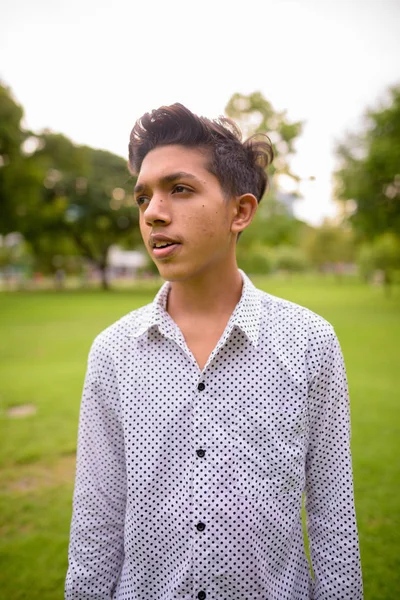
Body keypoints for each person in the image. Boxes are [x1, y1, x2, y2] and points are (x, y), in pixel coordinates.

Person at [65, 104, 363, 599]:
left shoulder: (310, 342)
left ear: (240, 211)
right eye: (143, 198)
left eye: (179, 189)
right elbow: (96, 525)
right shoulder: (113, 353)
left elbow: (334, 517)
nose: (153, 213)